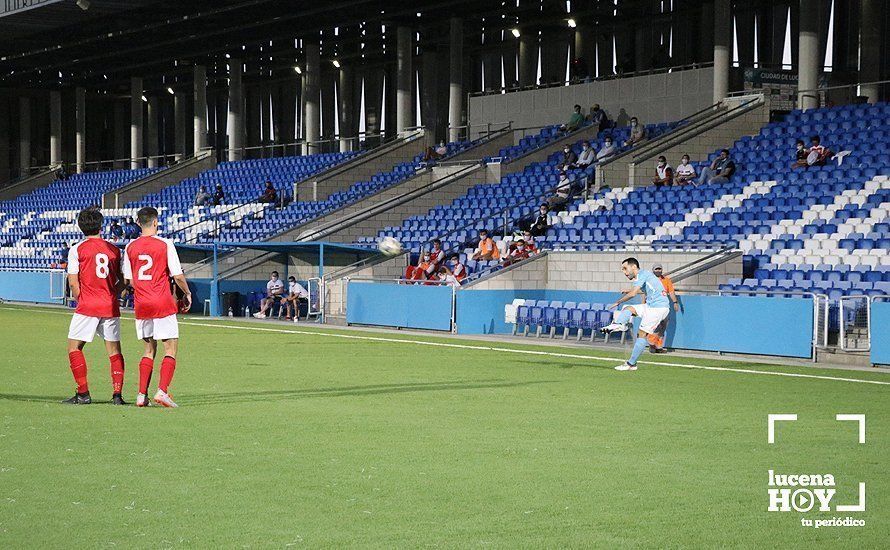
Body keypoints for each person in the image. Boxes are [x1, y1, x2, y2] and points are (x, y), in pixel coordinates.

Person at [122, 206, 192, 407]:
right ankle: (162, 391)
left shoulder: (130, 247)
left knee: (148, 349)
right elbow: (177, 276)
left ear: (138, 223)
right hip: (162, 302)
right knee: (170, 347)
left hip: (142, 304)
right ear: (155, 222)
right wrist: (187, 293)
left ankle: (141, 395)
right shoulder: (165, 244)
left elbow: (130, 280)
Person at [62, 208, 127, 406]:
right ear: (101, 225)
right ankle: (117, 395)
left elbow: (74, 283)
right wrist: (111, 294)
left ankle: (83, 393)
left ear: (81, 226)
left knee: (75, 348)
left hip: (88, 305)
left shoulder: (77, 249)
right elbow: (123, 280)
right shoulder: (114, 250)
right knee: (114, 350)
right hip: (109, 305)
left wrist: (83, 300)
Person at [599, 257, 671, 371]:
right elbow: (645, 290)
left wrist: (618, 302)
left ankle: (631, 364)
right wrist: (629, 291)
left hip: (658, 308)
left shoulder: (642, 274)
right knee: (628, 308)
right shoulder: (643, 276)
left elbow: (633, 294)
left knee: (642, 334)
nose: (624, 272)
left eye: (625, 268)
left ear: (634, 267)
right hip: (651, 306)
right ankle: (619, 324)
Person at [648, 264, 680, 353]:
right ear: (653, 270)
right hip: (654, 307)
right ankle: (651, 343)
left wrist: (675, 302)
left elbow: (671, 292)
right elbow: (644, 292)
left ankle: (658, 347)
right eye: (656, 269)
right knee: (657, 326)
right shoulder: (649, 280)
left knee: (663, 327)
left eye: (659, 269)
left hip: (665, 307)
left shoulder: (666, 280)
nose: (658, 270)